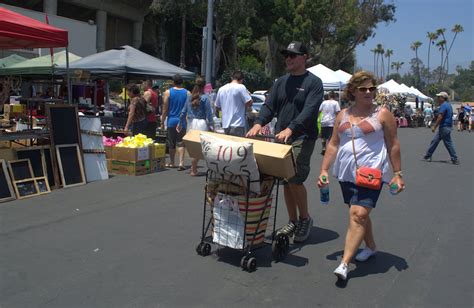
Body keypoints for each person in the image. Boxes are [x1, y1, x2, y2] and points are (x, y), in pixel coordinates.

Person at [317, 71, 405, 281]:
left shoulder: (383, 114)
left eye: (372, 88)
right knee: (358, 213)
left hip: (371, 172)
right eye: (363, 89)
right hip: (346, 173)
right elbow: (333, 144)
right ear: (353, 91)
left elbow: (393, 144)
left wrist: (398, 174)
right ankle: (371, 246)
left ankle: (345, 263)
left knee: (358, 214)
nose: (368, 92)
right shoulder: (343, 114)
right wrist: (323, 170)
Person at [246, 41, 323, 243]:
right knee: (285, 182)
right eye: (286, 55)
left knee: (294, 178)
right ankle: (292, 220)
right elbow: (269, 106)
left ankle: (305, 219)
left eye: (293, 55)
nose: (288, 58)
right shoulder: (281, 81)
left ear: (305, 57)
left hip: (302, 137)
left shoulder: (313, 83)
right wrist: (258, 123)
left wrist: (292, 128)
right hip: (281, 137)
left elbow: (310, 111)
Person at [177, 76, 214, 176]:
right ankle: (194, 168)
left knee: (193, 147)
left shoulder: (189, 97)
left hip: (191, 123)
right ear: (204, 86)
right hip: (201, 123)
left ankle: (193, 168)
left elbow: (183, 112)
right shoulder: (205, 98)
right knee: (200, 147)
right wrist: (212, 126)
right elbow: (209, 115)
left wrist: (180, 123)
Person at [161, 74, 191, 170]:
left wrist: (162, 121)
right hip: (182, 121)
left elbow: (165, 108)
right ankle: (181, 163)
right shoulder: (188, 93)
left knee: (171, 143)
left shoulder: (168, 92)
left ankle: (172, 162)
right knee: (181, 142)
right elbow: (189, 109)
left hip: (171, 120)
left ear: (173, 82)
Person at [423, 92, 459, 165]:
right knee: (435, 141)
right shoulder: (448, 105)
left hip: (444, 127)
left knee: (448, 143)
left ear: (443, 98)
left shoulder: (444, 105)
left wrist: (435, 126)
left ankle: (454, 158)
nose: (438, 98)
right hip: (446, 126)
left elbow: (440, 116)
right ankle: (428, 155)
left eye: (439, 97)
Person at [215, 71, 253, 137]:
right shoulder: (241, 87)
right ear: (242, 80)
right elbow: (249, 103)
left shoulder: (221, 89)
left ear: (231, 78)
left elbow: (217, 107)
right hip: (238, 123)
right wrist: (249, 95)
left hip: (225, 124)